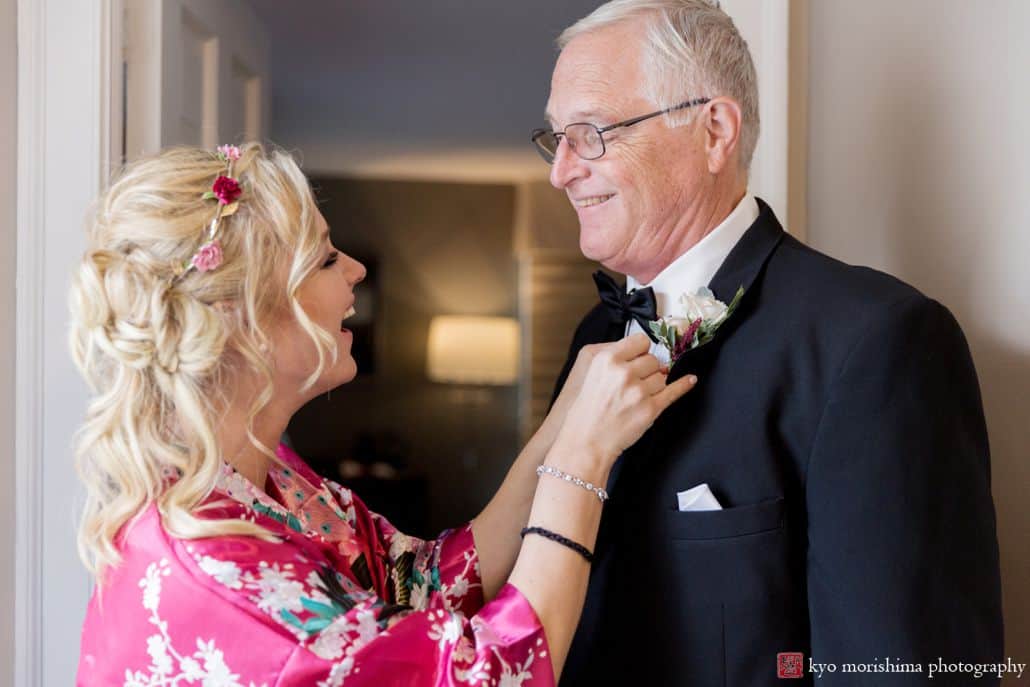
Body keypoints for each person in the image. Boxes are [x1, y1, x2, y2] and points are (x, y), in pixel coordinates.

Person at [71, 143, 697, 686]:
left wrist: (566, 414)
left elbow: (425, 581)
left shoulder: (272, 483)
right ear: (246, 319)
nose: (356, 270)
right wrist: (582, 457)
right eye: (323, 259)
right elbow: (484, 677)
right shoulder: (224, 574)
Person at [538, 1, 1003, 685]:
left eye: (592, 132)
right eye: (557, 138)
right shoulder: (596, 335)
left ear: (714, 130)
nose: (561, 171)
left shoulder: (877, 342)